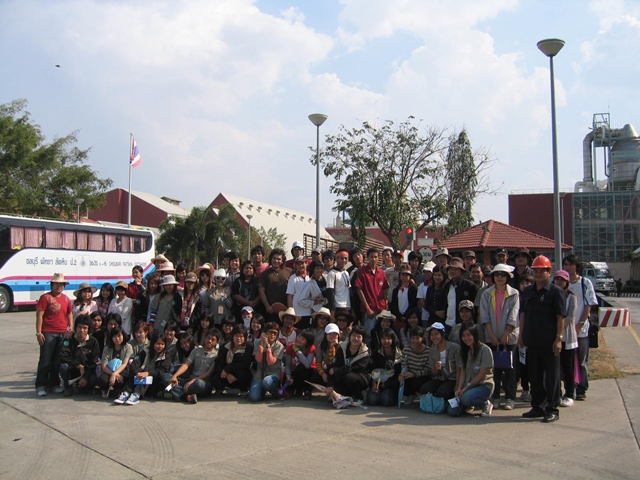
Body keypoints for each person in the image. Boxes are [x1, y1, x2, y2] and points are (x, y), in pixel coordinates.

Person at [519, 255, 566, 423]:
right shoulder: (528, 291)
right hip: (532, 341)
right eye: (535, 271)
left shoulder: (556, 292)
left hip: (549, 342)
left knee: (552, 377)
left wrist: (558, 339)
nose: (538, 274)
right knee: (535, 376)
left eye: (542, 271)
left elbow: (560, 317)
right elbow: (523, 314)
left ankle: (552, 408)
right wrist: (521, 335)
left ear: (549, 272)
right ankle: (537, 406)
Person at [480, 264, 519, 411]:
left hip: (509, 337)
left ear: (508, 277)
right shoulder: (486, 294)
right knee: (494, 369)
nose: (500, 277)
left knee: (510, 369)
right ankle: (495, 397)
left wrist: (507, 333)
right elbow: (484, 316)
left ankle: (510, 398)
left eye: (503, 275)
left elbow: (514, 315)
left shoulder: (514, 293)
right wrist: (491, 335)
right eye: (497, 274)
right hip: (491, 337)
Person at [562, 254, 598, 401]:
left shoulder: (585, 283)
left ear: (576, 266)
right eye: (566, 264)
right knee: (567, 362)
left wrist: (580, 324)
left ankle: (582, 388)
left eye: (571, 264)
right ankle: (569, 388)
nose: (568, 267)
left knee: (582, 360)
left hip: (581, 329)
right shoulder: (561, 283)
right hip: (565, 330)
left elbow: (589, 304)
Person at [35, 273, 74, 397]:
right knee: (46, 360)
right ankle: (41, 385)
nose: (59, 286)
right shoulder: (45, 298)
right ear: (52, 285)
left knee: (57, 361)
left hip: (62, 333)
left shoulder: (66, 299)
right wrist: (39, 332)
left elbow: (69, 314)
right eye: (57, 284)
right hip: (48, 332)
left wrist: (71, 327)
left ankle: (54, 384)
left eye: (61, 284)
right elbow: (39, 315)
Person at [449, 323, 494, 417]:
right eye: (463, 336)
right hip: (468, 387)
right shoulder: (465, 351)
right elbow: (463, 372)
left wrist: (465, 388)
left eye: (469, 335)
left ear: (475, 335)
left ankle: (485, 404)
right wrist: (459, 388)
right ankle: (468, 403)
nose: (466, 338)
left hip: (483, 385)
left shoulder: (485, 350)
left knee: (466, 398)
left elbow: (481, 374)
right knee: (452, 410)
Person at [167, 328, 221, 404]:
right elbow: (186, 364)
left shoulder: (217, 355)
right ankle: (186, 396)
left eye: (213, 339)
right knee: (166, 377)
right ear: (205, 338)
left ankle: (176, 392)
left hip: (203, 383)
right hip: (189, 380)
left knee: (199, 384)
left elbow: (209, 373)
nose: (209, 341)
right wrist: (175, 376)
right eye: (208, 338)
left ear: (217, 342)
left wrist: (194, 380)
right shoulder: (196, 350)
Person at [118, 333, 172, 405]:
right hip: (139, 377)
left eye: (162, 344)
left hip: (155, 383)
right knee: (136, 372)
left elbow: (162, 371)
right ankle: (126, 393)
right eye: (158, 344)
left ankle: (136, 394)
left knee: (147, 375)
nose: (160, 346)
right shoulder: (145, 352)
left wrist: (148, 373)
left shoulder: (166, 356)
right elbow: (134, 364)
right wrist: (138, 373)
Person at [553, 270, 578, 408]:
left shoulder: (571, 297)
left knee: (567, 367)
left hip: (567, 338)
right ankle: (556, 393)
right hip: (554, 337)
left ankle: (569, 394)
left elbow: (570, 317)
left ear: (567, 282)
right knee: (555, 367)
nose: (559, 282)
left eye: (562, 280)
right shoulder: (551, 294)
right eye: (557, 279)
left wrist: (559, 330)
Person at [326, 325, 370, 404]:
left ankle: (359, 397)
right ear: (350, 336)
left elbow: (355, 368)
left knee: (348, 377)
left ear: (363, 339)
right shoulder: (342, 347)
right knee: (334, 375)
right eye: (354, 335)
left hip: (360, 377)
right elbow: (335, 366)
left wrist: (337, 370)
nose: (355, 338)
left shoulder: (365, 352)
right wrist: (330, 385)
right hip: (343, 374)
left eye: (359, 336)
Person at [354, 247, 389, 346]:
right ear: (367, 258)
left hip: (381, 309)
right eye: (371, 257)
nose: (373, 259)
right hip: (370, 310)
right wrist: (368, 308)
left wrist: (386, 304)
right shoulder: (362, 272)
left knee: (382, 334)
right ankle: (367, 354)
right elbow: (359, 290)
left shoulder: (381, 272)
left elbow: (385, 289)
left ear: (379, 258)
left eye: (375, 257)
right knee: (368, 334)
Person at [59, 314, 100, 396]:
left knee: (93, 379)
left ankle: (84, 386)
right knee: (63, 366)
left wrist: (85, 377)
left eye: (85, 328)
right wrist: (77, 365)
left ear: (88, 329)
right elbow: (63, 356)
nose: (82, 330)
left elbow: (93, 362)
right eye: (79, 327)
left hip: (86, 371)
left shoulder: (93, 341)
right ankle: (68, 387)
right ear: (75, 327)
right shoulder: (69, 339)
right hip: (72, 369)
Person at [419, 322, 461, 402]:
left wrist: (458, 385)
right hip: (441, 378)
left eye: (436, 334)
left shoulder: (455, 348)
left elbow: (460, 369)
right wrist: (437, 368)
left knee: (442, 392)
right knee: (424, 389)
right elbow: (433, 373)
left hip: (453, 379)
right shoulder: (432, 351)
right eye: (432, 335)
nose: (434, 337)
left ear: (442, 334)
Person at [211, 325, 254, 396]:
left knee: (242, 373)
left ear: (245, 337)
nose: (238, 338)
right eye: (236, 336)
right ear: (232, 336)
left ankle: (244, 390)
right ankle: (220, 389)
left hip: (239, 375)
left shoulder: (248, 346)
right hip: (226, 375)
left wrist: (228, 369)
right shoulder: (224, 347)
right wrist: (227, 374)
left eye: (241, 336)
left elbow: (246, 363)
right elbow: (219, 364)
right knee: (215, 377)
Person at [249, 322, 286, 402]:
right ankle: (261, 391)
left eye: (275, 333)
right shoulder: (257, 343)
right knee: (254, 397)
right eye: (270, 332)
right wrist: (262, 345)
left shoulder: (279, 346)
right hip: (260, 374)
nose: (272, 335)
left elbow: (270, 362)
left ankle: (277, 394)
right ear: (265, 333)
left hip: (273, 374)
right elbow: (258, 359)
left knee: (267, 382)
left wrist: (268, 347)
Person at [442, 257, 478, 337]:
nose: (453, 271)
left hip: (465, 325)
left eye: (456, 269)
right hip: (448, 324)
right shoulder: (447, 286)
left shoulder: (470, 286)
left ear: (461, 271)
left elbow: (476, 306)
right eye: (451, 269)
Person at [367, 327, 402, 407]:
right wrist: (373, 383)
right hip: (377, 383)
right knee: (372, 400)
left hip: (391, 385)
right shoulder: (376, 352)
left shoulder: (399, 354)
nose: (386, 341)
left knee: (386, 400)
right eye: (383, 338)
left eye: (388, 338)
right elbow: (371, 369)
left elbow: (399, 375)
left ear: (393, 339)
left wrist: (387, 385)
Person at [98, 326, 133, 400]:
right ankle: (105, 390)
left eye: (119, 336)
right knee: (102, 380)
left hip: (122, 371)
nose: (117, 338)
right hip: (109, 370)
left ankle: (118, 391)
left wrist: (115, 374)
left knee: (120, 381)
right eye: (114, 336)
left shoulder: (128, 347)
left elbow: (125, 363)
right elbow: (104, 366)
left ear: (123, 336)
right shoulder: (107, 348)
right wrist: (113, 374)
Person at [258, 248, 292, 324]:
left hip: (287, 310)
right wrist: (267, 306)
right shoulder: (264, 274)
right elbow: (261, 291)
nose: (276, 261)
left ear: (282, 261)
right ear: (271, 259)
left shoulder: (289, 271)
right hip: (271, 310)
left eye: (279, 259)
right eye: (274, 258)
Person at [399, 326, 430, 404]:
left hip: (422, 376)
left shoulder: (428, 351)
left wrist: (414, 374)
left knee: (416, 383)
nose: (415, 340)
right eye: (413, 338)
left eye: (417, 338)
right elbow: (403, 365)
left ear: (422, 338)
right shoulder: (406, 350)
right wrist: (401, 375)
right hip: (409, 375)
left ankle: (419, 395)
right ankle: (410, 395)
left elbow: (428, 370)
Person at [284, 329, 316, 399]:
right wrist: (288, 376)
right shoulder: (290, 347)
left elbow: (307, 365)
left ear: (308, 342)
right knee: (288, 374)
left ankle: (307, 391)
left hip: (310, 372)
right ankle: (295, 390)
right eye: (299, 336)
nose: (299, 340)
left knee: (301, 367)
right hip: (296, 371)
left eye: (303, 339)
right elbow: (288, 365)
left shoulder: (311, 348)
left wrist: (297, 350)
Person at [298, 259, 329, 327]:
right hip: (318, 311)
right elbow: (301, 300)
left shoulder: (327, 278)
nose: (319, 270)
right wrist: (314, 302)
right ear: (313, 270)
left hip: (328, 308)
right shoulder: (310, 284)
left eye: (320, 268)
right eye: (317, 268)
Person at [390, 265, 418, 329]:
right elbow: (394, 305)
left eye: (407, 274)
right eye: (403, 274)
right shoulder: (396, 290)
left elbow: (413, 303)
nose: (405, 276)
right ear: (400, 275)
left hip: (410, 318)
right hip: (398, 318)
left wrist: (406, 315)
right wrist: (400, 316)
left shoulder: (413, 288)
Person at [325, 250, 352, 318]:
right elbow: (330, 291)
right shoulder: (332, 273)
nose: (344, 260)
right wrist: (332, 309)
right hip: (338, 306)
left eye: (346, 258)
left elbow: (349, 290)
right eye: (341, 258)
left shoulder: (346, 273)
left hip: (347, 305)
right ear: (336, 259)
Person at [286, 256, 311, 322]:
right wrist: (291, 311)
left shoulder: (311, 277)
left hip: (310, 311)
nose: (300, 266)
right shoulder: (293, 278)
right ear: (296, 265)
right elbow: (290, 296)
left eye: (302, 263)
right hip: (297, 312)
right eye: (298, 264)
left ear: (306, 263)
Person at [417, 262, 435, 327]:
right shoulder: (422, 285)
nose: (426, 274)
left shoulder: (438, 285)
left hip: (438, 316)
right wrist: (432, 311)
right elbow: (421, 301)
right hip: (425, 317)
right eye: (425, 272)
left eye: (429, 272)